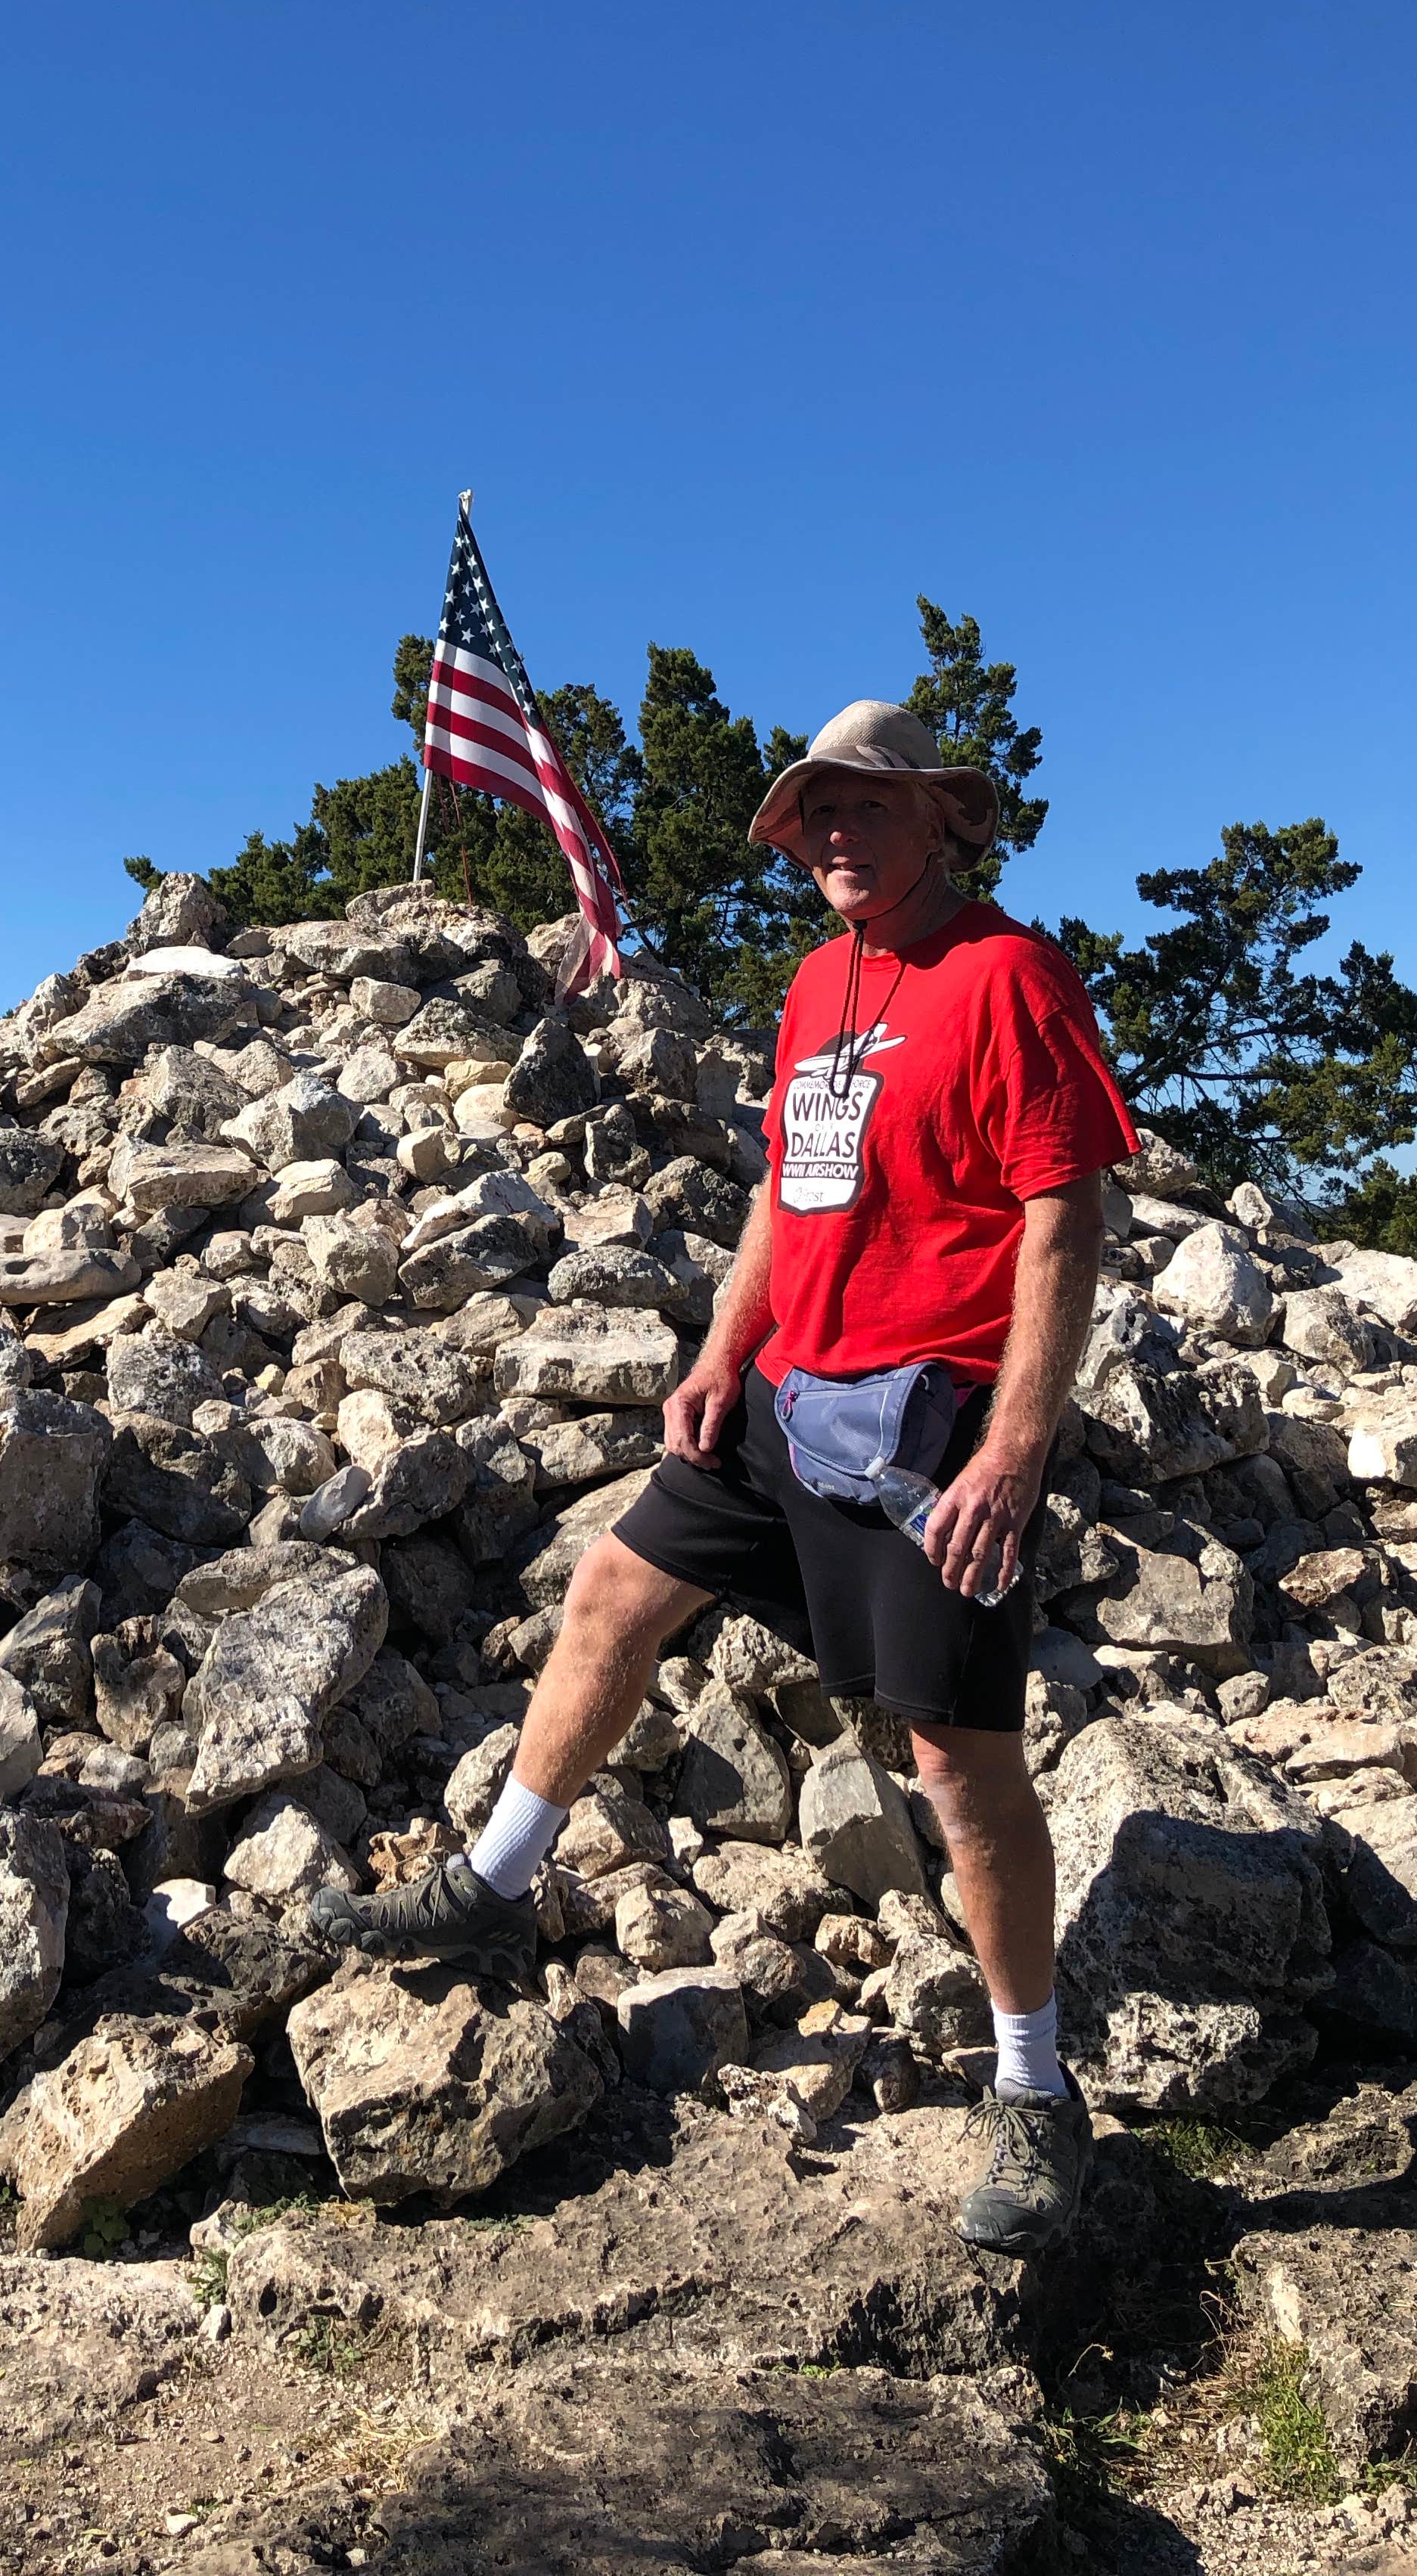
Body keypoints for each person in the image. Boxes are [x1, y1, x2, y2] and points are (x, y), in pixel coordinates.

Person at [312, 697, 1136, 2258]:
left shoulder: (1010, 977)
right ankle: (495, 1890)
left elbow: (1063, 1219)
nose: (831, 833)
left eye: (862, 808)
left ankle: (1036, 2089)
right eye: (812, 810)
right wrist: (717, 1348)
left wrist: (1019, 1449)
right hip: (779, 1395)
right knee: (616, 1590)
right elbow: (784, 1187)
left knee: (958, 1763)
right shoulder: (820, 979)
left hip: (933, 1421)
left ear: (943, 821)